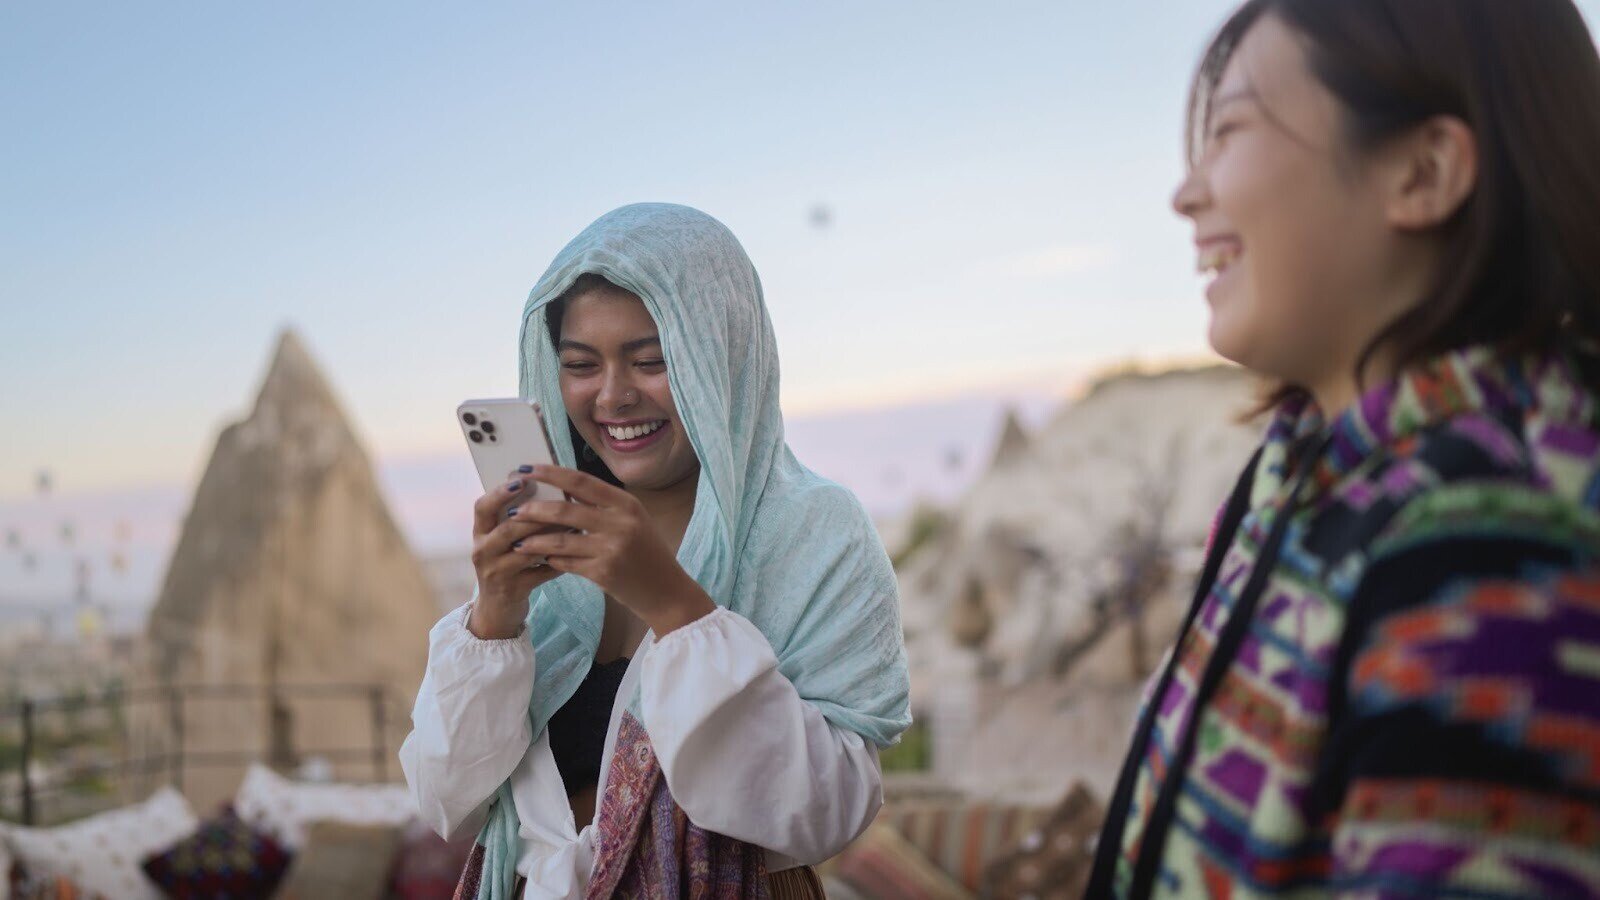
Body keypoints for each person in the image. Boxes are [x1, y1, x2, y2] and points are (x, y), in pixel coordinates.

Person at [1086, 0, 1600, 896]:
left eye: (1232, 131)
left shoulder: (1491, 552)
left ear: (1425, 171)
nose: (1186, 192)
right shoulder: (1306, 473)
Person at [400, 203, 910, 899]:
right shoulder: (555, 542)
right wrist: (495, 617)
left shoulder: (815, 532)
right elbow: (447, 802)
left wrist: (674, 607)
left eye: (652, 360)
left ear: (722, 356)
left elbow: (825, 815)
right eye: (581, 365)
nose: (612, 396)